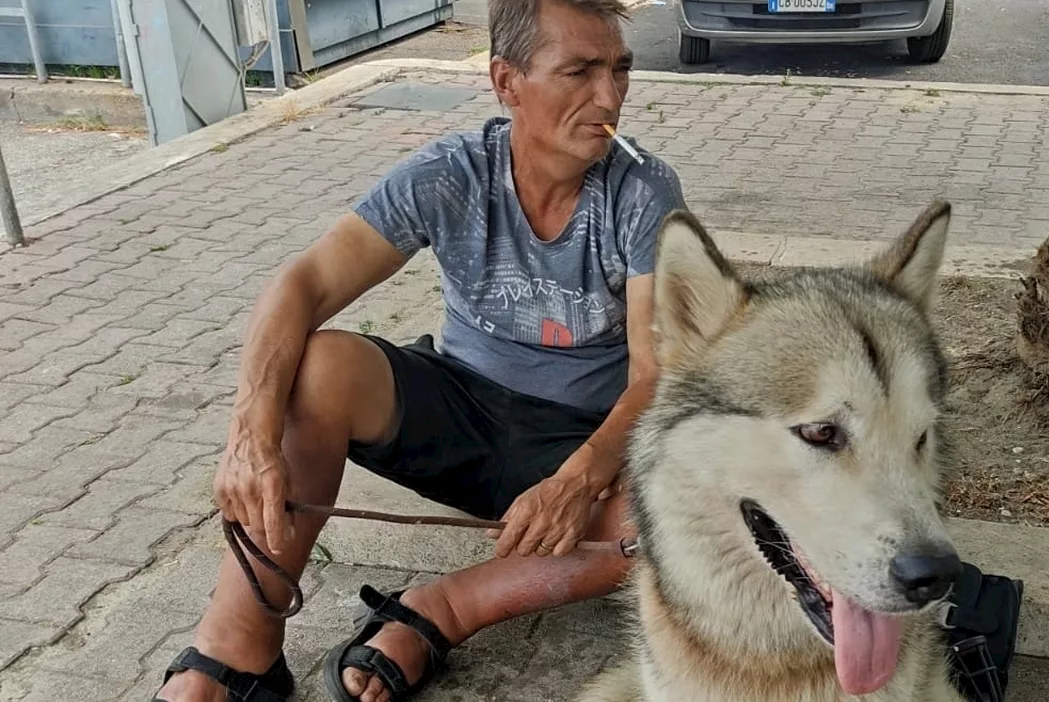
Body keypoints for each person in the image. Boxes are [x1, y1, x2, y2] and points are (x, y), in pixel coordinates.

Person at [151, 0, 685, 698]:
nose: (609, 96)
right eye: (579, 71)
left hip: (579, 440)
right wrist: (248, 436)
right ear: (507, 82)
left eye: (620, 70)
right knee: (317, 368)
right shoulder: (453, 174)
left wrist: (577, 480)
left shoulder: (642, 191)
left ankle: (439, 609)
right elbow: (303, 283)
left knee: (679, 520)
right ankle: (239, 646)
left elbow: (656, 375)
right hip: (461, 407)